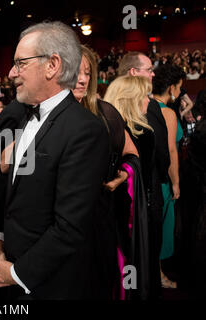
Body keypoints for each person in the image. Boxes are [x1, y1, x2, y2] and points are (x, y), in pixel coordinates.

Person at [0, 21, 109, 299]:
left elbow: (70, 227)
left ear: (52, 65)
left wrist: (17, 273)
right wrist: (1, 240)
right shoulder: (26, 116)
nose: (11, 72)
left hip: (52, 283)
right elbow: (15, 198)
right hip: (14, 272)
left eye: (20, 63)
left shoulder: (85, 130)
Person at [72, 45, 139, 299]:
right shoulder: (49, 116)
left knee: (99, 283)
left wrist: (121, 176)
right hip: (62, 222)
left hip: (100, 216)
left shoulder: (105, 112)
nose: (82, 78)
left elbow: (132, 154)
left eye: (87, 72)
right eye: (76, 71)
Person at [118, 51, 170, 298]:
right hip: (146, 201)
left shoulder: (109, 112)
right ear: (133, 73)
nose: (152, 74)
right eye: (148, 69)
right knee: (146, 258)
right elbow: (163, 156)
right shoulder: (150, 109)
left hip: (122, 205)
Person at [104, 75, 154, 299]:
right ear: (131, 99)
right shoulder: (133, 132)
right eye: (145, 95)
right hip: (123, 205)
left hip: (128, 201)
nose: (149, 101)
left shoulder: (134, 129)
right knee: (128, 256)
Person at [152, 64, 186, 289]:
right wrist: (176, 182)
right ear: (172, 87)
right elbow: (171, 151)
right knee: (161, 231)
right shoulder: (167, 112)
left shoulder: (146, 106)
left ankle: (153, 274)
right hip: (163, 181)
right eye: (180, 88)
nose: (180, 93)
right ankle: (159, 276)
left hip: (148, 178)